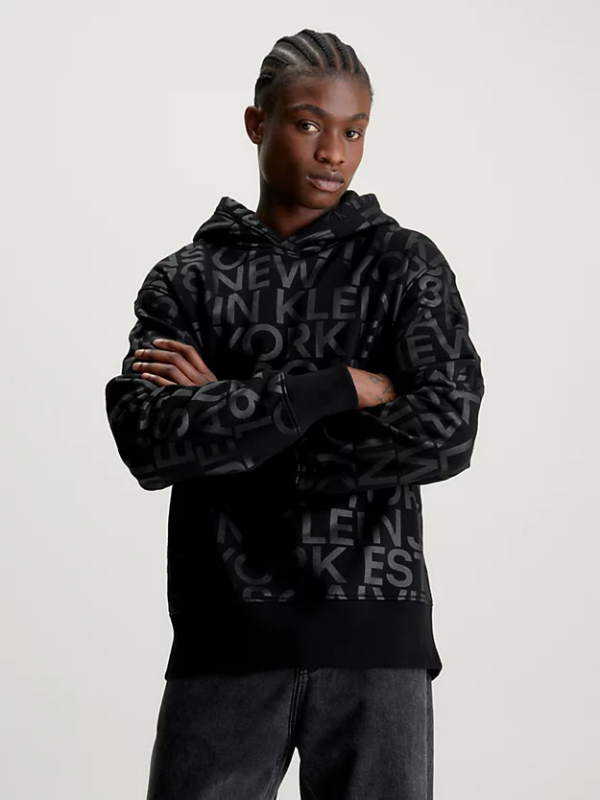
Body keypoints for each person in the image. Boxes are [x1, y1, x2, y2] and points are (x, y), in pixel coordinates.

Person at [105, 27, 485, 800]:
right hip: (226, 638)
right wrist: (337, 387)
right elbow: (150, 441)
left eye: (354, 131)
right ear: (258, 123)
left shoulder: (402, 265)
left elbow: (448, 430)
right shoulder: (187, 280)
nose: (334, 152)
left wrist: (235, 422)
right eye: (310, 124)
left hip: (376, 641)